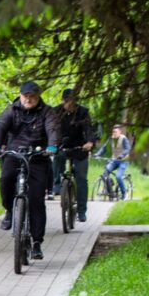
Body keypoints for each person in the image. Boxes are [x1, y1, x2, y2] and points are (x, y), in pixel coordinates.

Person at [0, 80, 58, 261]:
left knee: (36, 199)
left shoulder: (47, 112)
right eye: (25, 96)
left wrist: (51, 147)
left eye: (32, 96)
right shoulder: (12, 110)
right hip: (15, 153)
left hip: (37, 156)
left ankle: (36, 242)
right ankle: (10, 211)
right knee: (5, 179)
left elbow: (52, 129)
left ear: (38, 96)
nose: (28, 99)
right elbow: (0, 126)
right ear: (20, 96)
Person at [52, 88, 97, 223]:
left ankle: (81, 211)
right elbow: (52, 129)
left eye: (72, 101)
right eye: (66, 101)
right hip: (62, 145)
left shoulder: (83, 112)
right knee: (57, 156)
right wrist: (51, 144)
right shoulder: (56, 112)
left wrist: (89, 142)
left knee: (81, 179)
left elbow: (88, 128)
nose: (69, 104)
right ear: (63, 101)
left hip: (79, 147)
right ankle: (57, 184)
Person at [106, 124, 133, 197]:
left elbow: (127, 149)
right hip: (114, 161)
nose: (114, 133)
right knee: (105, 173)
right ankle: (110, 192)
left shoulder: (124, 138)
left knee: (118, 176)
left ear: (120, 132)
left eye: (115, 132)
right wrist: (97, 154)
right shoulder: (111, 138)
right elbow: (104, 147)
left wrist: (121, 155)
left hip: (123, 161)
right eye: (113, 132)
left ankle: (124, 193)